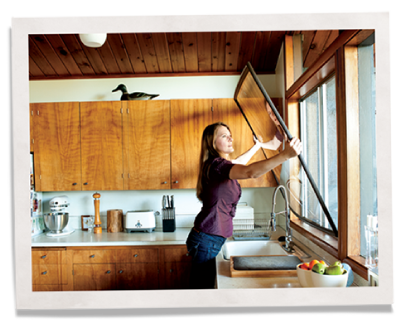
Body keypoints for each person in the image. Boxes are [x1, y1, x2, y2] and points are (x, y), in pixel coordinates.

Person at [185, 122, 302, 289]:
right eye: (224, 135)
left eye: (230, 134)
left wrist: (257, 146)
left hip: (207, 237)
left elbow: (240, 162)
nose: (231, 138)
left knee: (203, 289)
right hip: (207, 239)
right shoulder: (218, 165)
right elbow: (250, 172)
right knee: (202, 291)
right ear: (212, 142)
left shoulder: (217, 165)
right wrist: (285, 155)